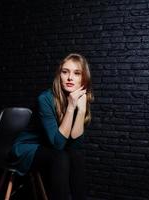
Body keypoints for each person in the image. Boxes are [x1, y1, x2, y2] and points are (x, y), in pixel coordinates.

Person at [10, 53, 94, 200]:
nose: (70, 78)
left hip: (48, 146)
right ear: (59, 75)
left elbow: (74, 145)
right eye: (65, 72)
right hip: (28, 147)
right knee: (60, 156)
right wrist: (71, 107)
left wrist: (80, 110)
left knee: (76, 155)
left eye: (76, 73)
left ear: (83, 78)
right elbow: (58, 144)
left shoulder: (79, 98)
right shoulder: (45, 99)